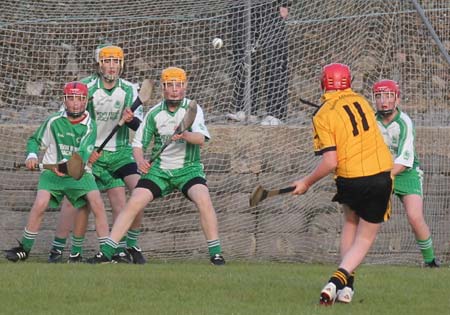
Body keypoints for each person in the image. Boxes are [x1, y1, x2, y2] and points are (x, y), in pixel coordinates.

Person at [87, 66, 225, 265]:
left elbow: (201, 139)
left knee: (203, 199)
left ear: (185, 86)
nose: (174, 89)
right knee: (135, 200)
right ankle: (107, 251)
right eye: (170, 85)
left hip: (188, 170)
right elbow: (138, 143)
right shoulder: (154, 114)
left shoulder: (192, 109)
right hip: (158, 172)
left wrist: (185, 135)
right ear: (163, 88)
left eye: (178, 85)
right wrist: (141, 161)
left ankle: (216, 253)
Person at [291, 63, 393, 305]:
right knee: (365, 238)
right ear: (349, 82)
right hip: (378, 175)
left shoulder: (322, 114)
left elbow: (330, 162)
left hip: (349, 179)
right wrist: (307, 181)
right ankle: (335, 282)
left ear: (323, 83)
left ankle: (347, 288)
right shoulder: (362, 101)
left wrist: (306, 182)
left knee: (350, 222)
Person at [47, 44, 146, 264]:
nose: (112, 66)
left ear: (121, 64)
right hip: (90, 152)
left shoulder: (130, 90)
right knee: (76, 201)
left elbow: (140, 126)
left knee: (139, 192)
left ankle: (128, 247)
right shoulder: (85, 87)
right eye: (107, 61)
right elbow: (64, 120)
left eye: (116, 62)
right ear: (99, 64)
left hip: (119, 154)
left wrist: (131, 120)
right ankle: (58, 249)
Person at [4, 82, 110, 262]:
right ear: (64, 100)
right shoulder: (53, 121)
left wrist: (65, 167)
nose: (75, 103)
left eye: (80, 99)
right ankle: (25, 249)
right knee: (40, 203)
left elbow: (82, 155)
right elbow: (35, 140)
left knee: (96, 202)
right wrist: (31, 155)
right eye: (71, 99)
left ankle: (106, 253)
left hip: (79, 173)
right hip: (52, 174)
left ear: (86, 101)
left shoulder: (90, 126)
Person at [373, 79, 439, 268]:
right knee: (366, 215)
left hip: (406, 173)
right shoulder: (371, 121)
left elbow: (404, 159)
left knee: (415, 217)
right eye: (379, 96)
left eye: (388, 96)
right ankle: (353, 260)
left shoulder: (405, 123)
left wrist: (383, 178)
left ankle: (431, 262)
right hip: (380, 171)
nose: (383, 101)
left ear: (397, 99)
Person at [227, 0, 290, 125]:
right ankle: (245, 110)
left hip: (271, 7)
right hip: (241, 7)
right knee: (243, 58)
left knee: (276, 59)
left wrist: (285, 4)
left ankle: (276, 114)